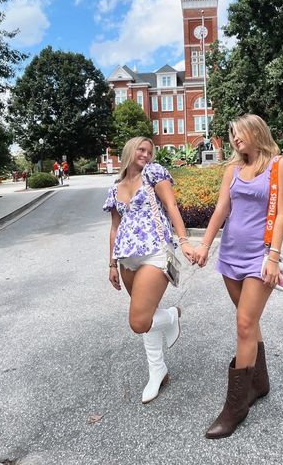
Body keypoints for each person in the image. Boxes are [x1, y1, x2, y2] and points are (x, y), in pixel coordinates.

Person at [195, 114, 283, 439]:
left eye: (240, 133)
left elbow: (280, 215)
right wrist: (205, 245)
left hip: (259, 258)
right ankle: (260, 382)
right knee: (248, 320)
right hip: (230, 256)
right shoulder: (232, 170)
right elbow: (221, 209)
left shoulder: (279, 166)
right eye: (232, 134)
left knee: (244, 324)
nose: (235, 139)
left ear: (256, 132)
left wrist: (274, 257)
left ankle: (235, 407)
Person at [103, 137, 195, 403]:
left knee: (139, 321)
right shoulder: (115, 187)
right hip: (126, 259)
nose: (145, 154)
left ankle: (171, 317)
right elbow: (114, 228)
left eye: (150, 151)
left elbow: (172, 206)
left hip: (155, 252)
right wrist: (111, 263)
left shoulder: (153, 173)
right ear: (129, 151)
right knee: (146, 315)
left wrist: (185, 241)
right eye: (141, 149)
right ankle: (158, 371)